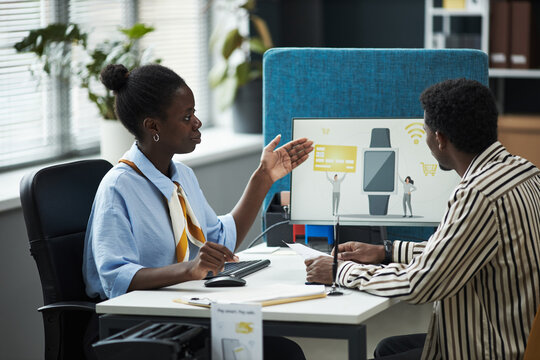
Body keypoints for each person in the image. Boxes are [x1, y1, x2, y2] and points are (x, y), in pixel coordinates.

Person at [82, 63, 313, 359]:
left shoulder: (182, 177)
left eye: (195, 113)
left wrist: (263, 178)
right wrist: (190, 269)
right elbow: (116, 279)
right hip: (137, 327)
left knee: (283, 351)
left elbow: (221, 242)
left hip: (183, 317)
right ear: (153, 126)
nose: (197, 122)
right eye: (187, 117)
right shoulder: (118, 188)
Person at [305, 78, 540, 359]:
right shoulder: (526, 172)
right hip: (519, 335)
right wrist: (386, 252)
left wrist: (339, 272)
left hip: (491, 348)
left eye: (425, 131)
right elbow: (459, 249)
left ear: (440, 139)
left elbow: (420, 284)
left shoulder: (477, 194)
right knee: (387, 348)